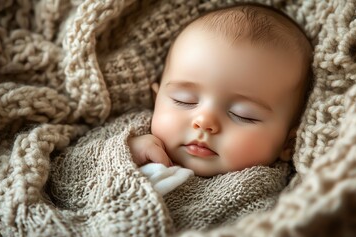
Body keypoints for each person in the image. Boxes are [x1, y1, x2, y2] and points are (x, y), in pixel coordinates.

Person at [129, 3, 313, 177]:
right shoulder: (131, 135)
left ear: (289, 143)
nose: (204, 121)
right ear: (157, 100)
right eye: (184, 100)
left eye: (242, 114)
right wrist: (127, 154)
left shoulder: (260, 193)